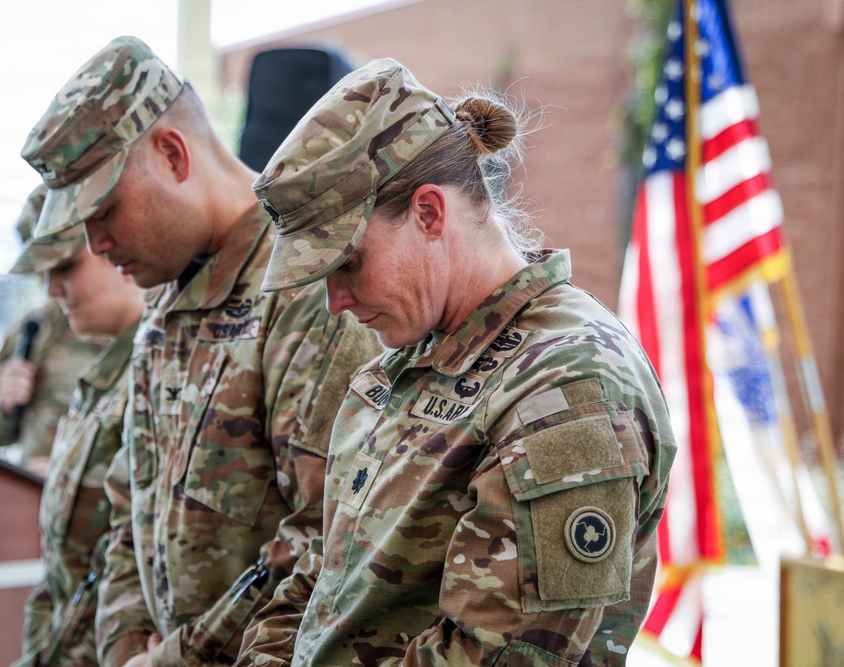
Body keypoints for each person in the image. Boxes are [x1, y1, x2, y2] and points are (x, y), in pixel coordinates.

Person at [235, 59, 677, 665]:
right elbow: (321, 571)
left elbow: (497, 654)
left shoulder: (569, 383)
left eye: (348, 264)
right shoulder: (401, 364)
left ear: (429, 213)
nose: (336, 300)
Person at [20, 36, 381, 666]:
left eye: (105, 210)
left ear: (171, 153)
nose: (96, 243)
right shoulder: (165, 297)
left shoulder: (305, 289)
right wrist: (126, 644)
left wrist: (175, 659)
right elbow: (128, 505)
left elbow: (331, 539)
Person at [9, 222, 145, 666]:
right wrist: (3, 397)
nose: (51, 289)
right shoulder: (35, 330)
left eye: (65, 267)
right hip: (66, 627)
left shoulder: (156, 363)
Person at [0, 184, 107, 475]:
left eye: (62, 267)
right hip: (29, 495)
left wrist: (66, 473)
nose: (50, 285)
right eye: (41, 271)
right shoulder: (30, 327)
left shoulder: (122, 327)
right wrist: (4, 404)